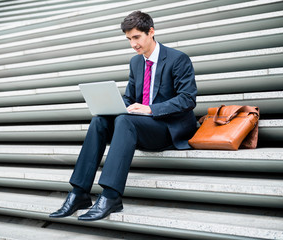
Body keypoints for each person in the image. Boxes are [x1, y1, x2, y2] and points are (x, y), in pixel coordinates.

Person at [49, 11, 197, 221]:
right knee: (100, 120)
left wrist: (150, 109)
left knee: (125, 121)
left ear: (151, 32)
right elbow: (129, 97)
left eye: (136, 37)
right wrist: (117, 106)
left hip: (167, 128)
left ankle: (111, 196)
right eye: (129, 39)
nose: (132, 44)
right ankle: (79, 193)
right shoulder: (136, 63)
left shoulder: (177, 59)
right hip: (140, 125)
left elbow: (188, 99)